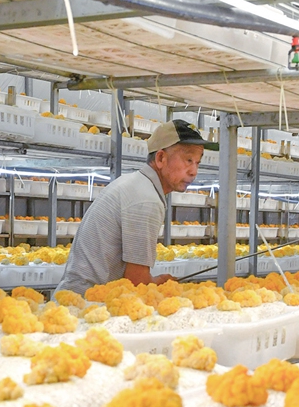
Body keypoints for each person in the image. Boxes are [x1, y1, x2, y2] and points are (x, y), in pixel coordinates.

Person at [55, 119, 216, 295]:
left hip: (79, 299)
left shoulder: (136, 184)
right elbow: (136, 282)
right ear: (161, 158)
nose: (194, 171)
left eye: (197, 162)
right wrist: (161, 282)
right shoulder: (146, 199)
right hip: (84, 305)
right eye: (188, 160)